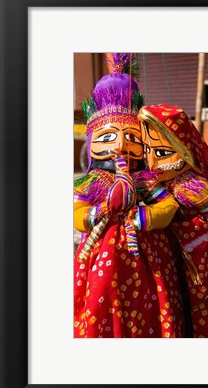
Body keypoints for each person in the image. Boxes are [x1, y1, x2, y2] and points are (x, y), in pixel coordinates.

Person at [73, 55, 185, 338]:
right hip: (100, 257)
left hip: (147, 257)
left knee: (150, 308)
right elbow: (76, 214)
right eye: (108, 137)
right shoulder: (93, 182)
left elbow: (169, 204)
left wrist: (147, 217)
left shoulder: (146, 181)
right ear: (92, 141)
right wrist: (95, 214)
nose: (121, 145)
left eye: (132, 138)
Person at [135, 104, 208, 338]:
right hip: (167, 253)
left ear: (183, 149)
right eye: (146, 151)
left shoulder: (195, 187)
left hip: (197, 255)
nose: (152, 161)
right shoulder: (151, 183)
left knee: (201, 301)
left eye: (162, 153)